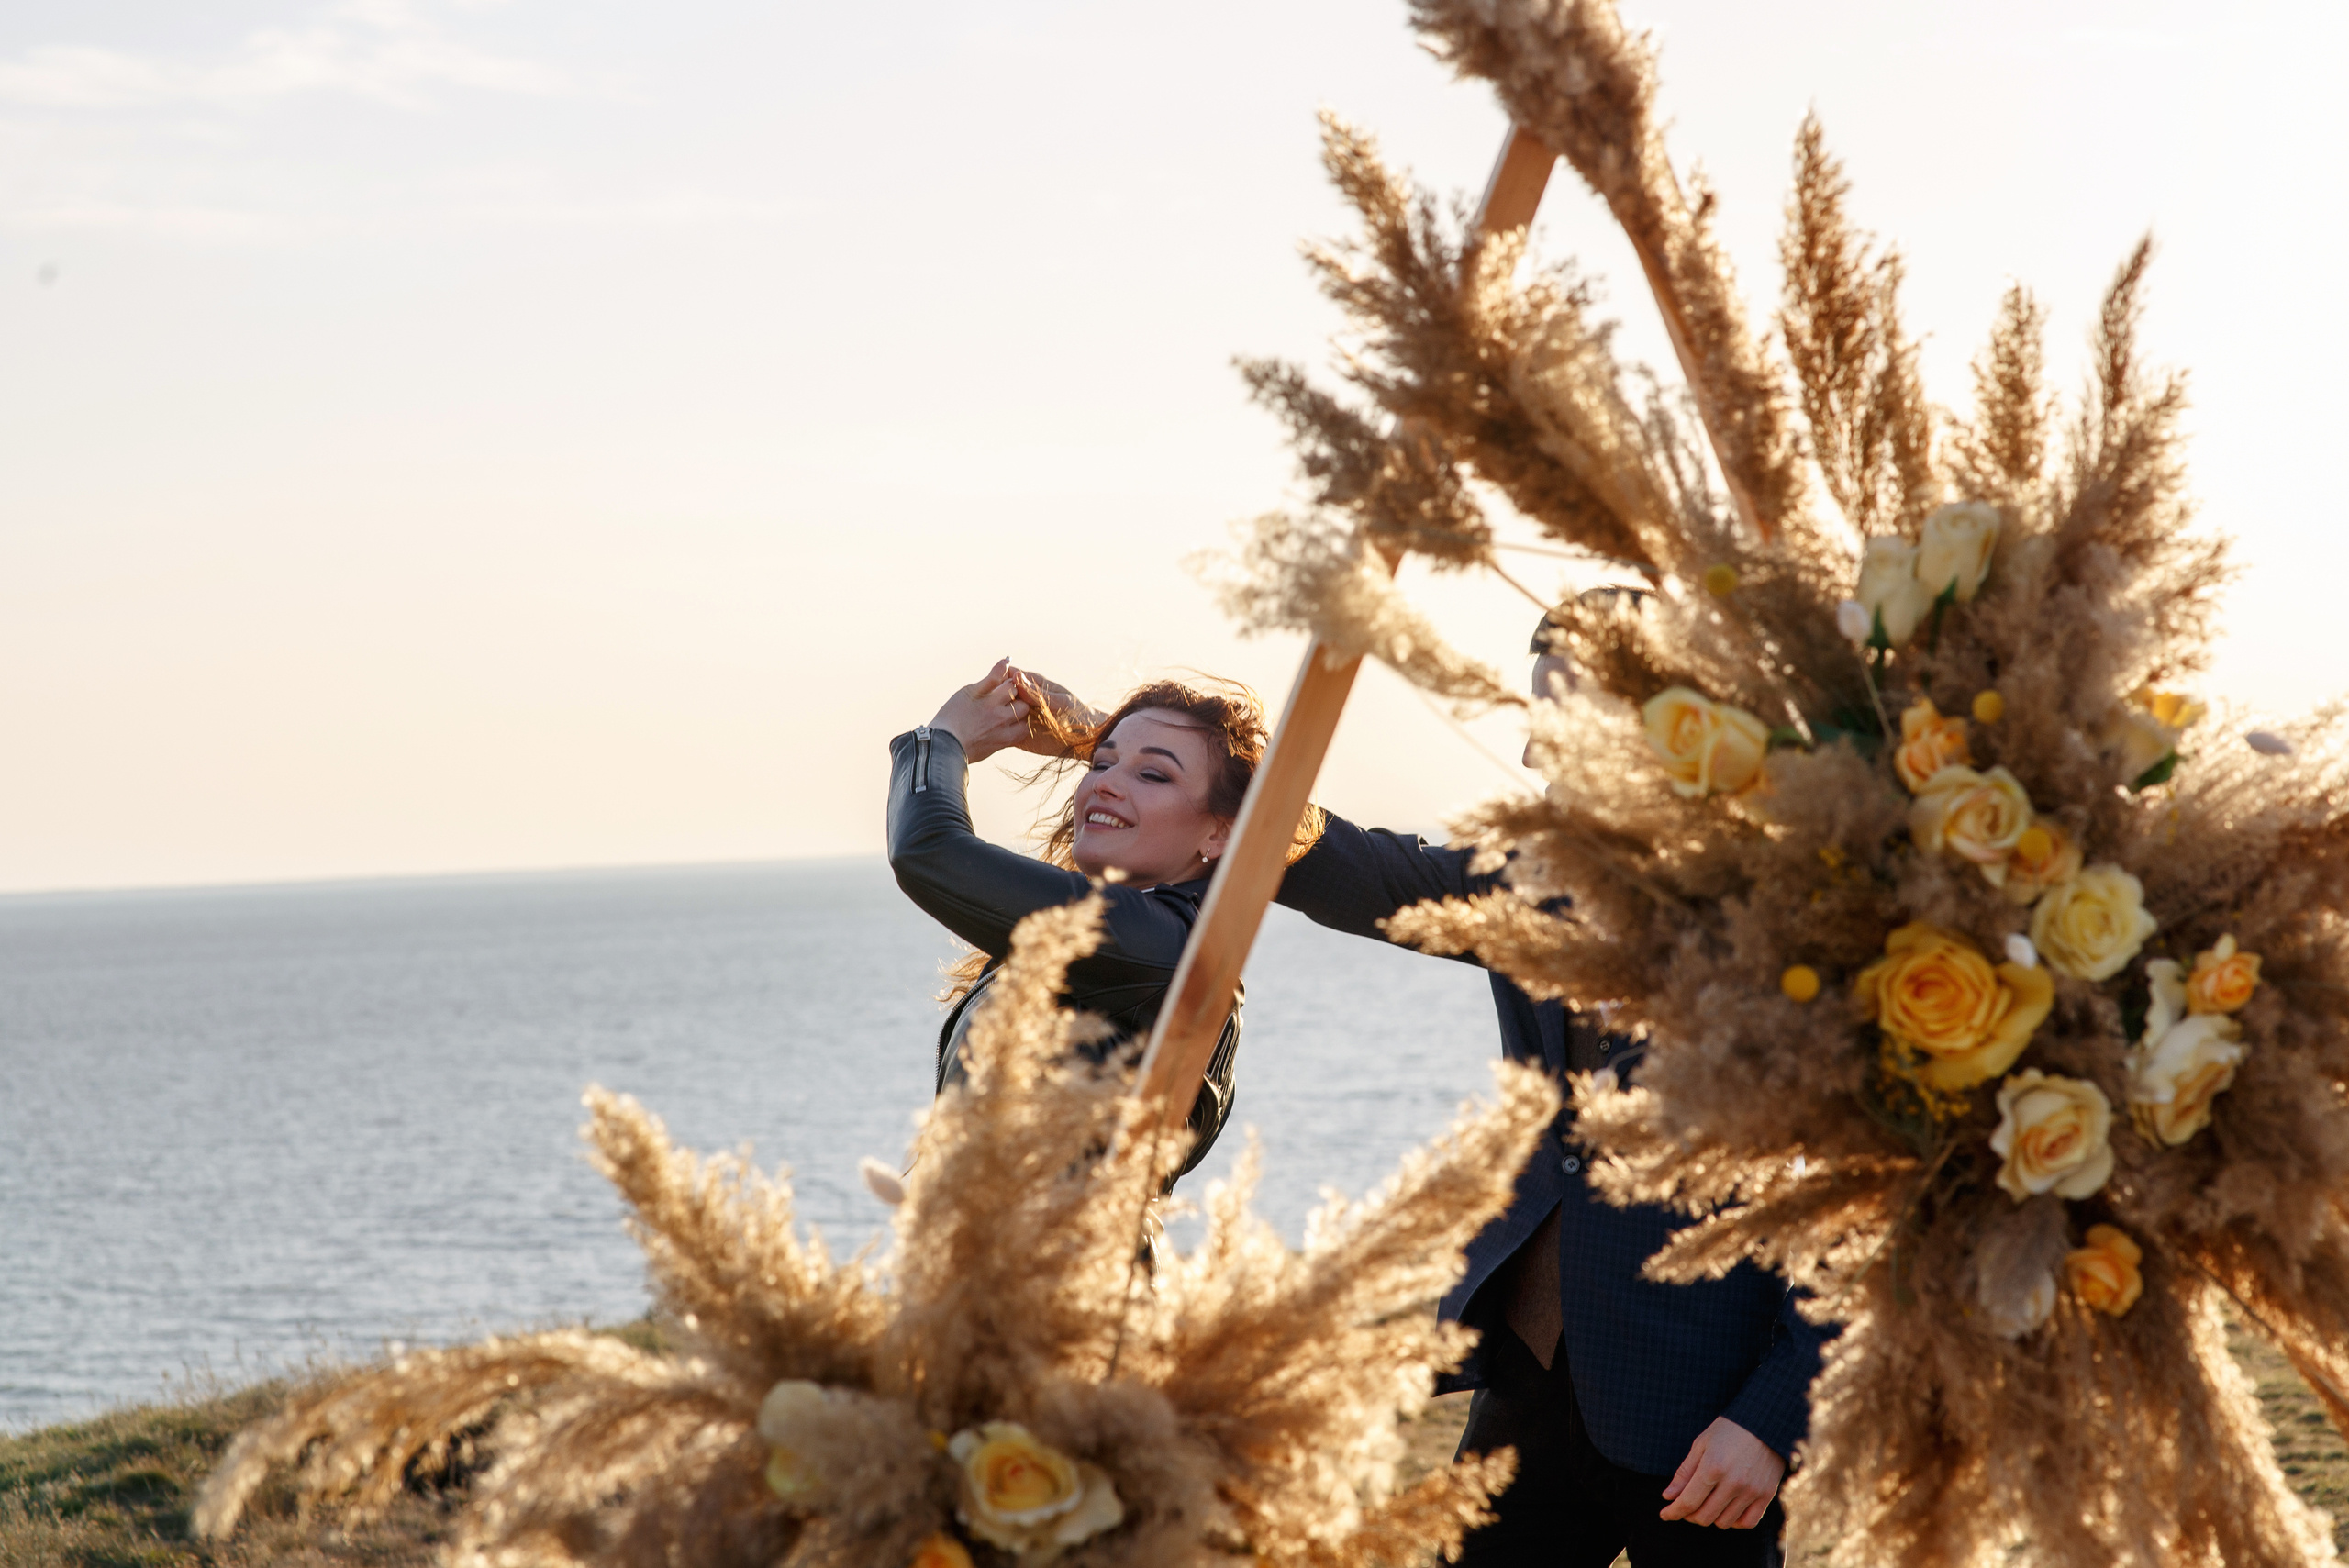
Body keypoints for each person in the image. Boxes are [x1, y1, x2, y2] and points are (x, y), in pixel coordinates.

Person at [1266, 606, 1826, 1567]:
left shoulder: (1803, 921)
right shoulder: (1539, 881)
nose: (1532, 752)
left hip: (1705, 1418)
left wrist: (1772, 1418)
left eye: (1560, 718)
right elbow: (1363, 871)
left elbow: (1858, 1205)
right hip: (1533, 1376)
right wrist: (1174, 768)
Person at [886, 659, 1321, 1180]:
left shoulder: (1165, 948)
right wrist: (1096, 730)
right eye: (1100, 765)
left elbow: (929, 850)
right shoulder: (1142, 938)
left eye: (1154, 775)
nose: (1106, 784)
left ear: (1221, 833)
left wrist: (941, 739)